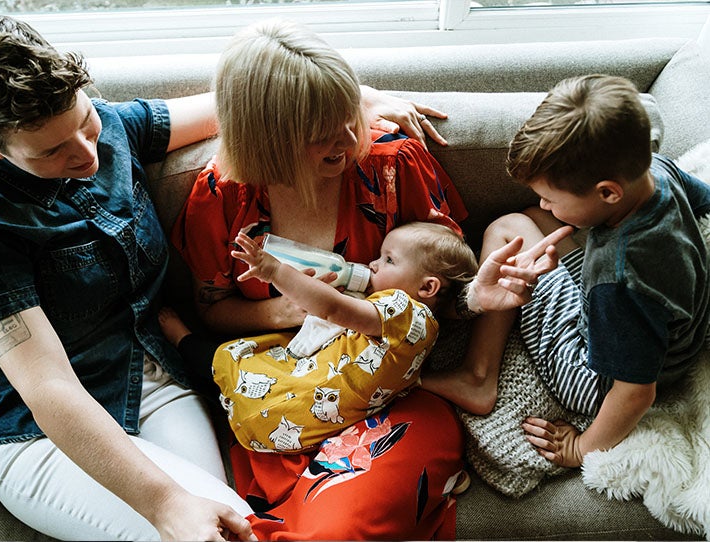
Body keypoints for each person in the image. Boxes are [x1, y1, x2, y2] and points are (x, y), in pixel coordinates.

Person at [0, 12, 454, 541]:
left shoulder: (114, 125)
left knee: (237, 529)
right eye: (52, 152)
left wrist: (345, 99)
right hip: (41, 430)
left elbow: (248, 103)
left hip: (154, 385)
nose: (88, 154)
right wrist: (164, 504)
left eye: (86, 122)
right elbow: (47, 386)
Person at [171, 18, 569, 539]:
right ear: (268, 135)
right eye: (321, 134)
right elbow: (213, 308)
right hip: (285, 401)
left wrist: (474, 296)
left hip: (395, 401)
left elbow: (437, 298)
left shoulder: (391, 167)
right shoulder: (223, 198)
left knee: (338, 530)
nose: (346, 141)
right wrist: (280, 311)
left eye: (349, 117)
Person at [482, 74, 710, 468]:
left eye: (552, 196)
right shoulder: (659, 171)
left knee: (508, 228)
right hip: (679, 335)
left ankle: (478, 374)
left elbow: (635, 392)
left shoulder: (618, 281)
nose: (544, 202)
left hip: (592, 377)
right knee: (535, 220)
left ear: (608, 192)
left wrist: (580, 448)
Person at [161, 222, 478, 453]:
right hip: (291, 432)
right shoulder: (421, 336)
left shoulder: (404, 310)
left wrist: (275, 271)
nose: (372, 263)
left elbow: (331, 308)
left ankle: (182, 341)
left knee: (230, 358)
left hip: (276, 399)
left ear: (427, 289)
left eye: (389, 260)